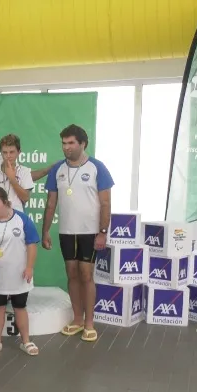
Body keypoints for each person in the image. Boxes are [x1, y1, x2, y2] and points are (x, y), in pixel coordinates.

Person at [42, 124, 114, 343]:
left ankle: (90, 323)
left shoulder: (97, 168)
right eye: (64, 143)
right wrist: (45, 231)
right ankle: (77, 320)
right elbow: (51, 203)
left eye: (71, 143)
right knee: (71, 274)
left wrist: (102, 232)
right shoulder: (57, 170)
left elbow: (106, 203)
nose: (66, 147)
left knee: (86, 275)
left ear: (83, 143)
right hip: (66, 232)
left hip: (90, 232)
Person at [0, 187, 40, 356]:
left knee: (20, 306)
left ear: (6, 202)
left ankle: (26, 341)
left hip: (19, 274)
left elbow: (31, 245)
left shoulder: (22, 220)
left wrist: (29, 267)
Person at [0, 134, 34, 213]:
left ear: (19, 152)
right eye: (5, 152)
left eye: (12, 152)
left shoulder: (24, 171)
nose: (8, 156)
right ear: (0, 153)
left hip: (17, 217)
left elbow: (25, 198)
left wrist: (12, 179)